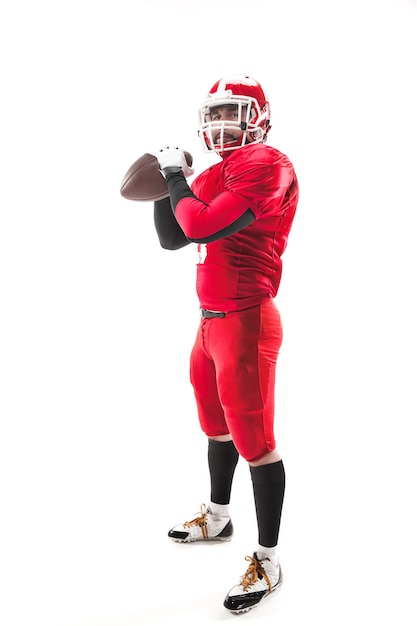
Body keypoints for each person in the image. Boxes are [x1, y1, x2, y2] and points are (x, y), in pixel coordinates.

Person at [152, 75, 299, 614]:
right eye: (212, 116)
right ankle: (218, 517)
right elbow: (173, 233)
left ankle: (268, 558)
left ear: (257, 116)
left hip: (247, 321)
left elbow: (202, 226)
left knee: (255, 440)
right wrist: (166, 183)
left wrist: (174, 177)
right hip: (210, 323)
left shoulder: (267, 163)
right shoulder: (218, 172)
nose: (219, 125)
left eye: (231, 114)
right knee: (215, 427)